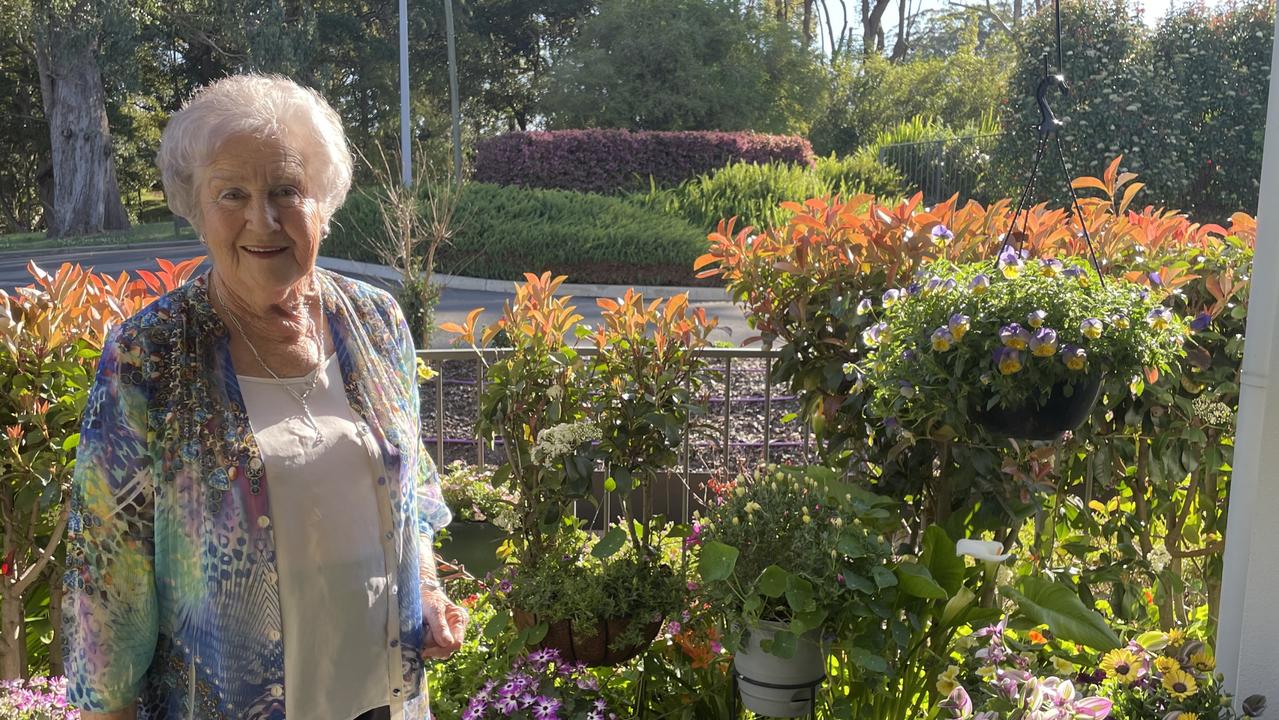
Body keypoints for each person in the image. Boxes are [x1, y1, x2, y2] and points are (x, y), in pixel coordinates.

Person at [61, 73, 467, 720]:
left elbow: (407, 487)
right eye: (232, 193)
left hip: (385, 697)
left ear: (324, 203)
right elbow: (108, 574)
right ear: (196, 207)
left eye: (286, 190)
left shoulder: (376, 320)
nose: (262, 218)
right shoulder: (149, 354)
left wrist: (426, 589)